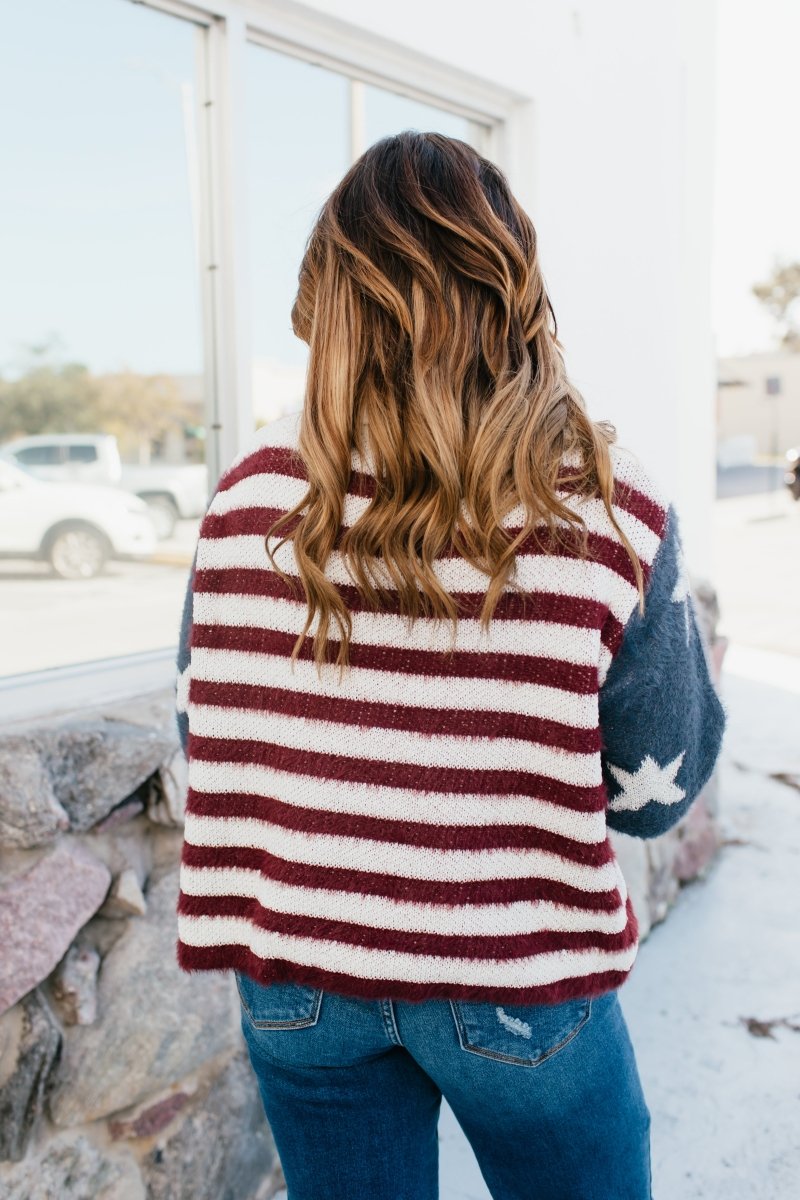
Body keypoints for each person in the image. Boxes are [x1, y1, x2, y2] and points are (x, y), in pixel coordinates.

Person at [173, 130, 727, 1200]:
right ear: (510, 299)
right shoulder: (607, 514)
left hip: (298, 975)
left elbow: (212, 741)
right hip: (512, 979)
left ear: (325, 307)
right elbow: (654, 794)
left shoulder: (243, 502)